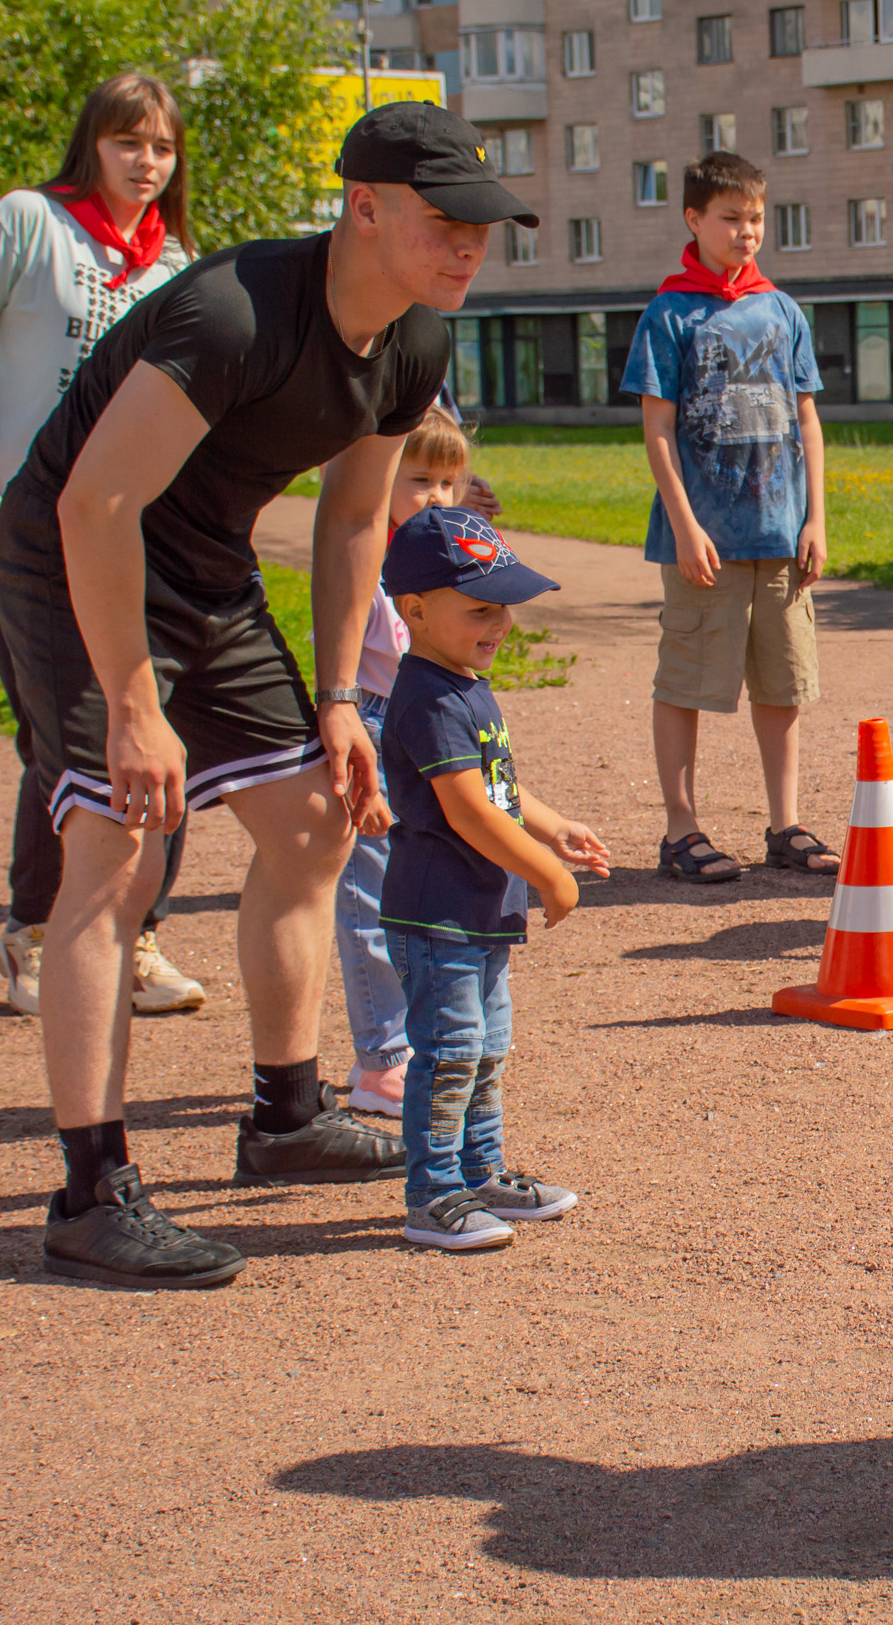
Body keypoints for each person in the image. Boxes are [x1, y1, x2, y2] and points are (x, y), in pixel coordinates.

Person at [0, 101, 540, 1289]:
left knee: (311, 819)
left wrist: (342, 696)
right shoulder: (234, 312)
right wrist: (133, 705)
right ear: (363, 208)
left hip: (204, 570)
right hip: (73, 554)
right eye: (447, 225)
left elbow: (351, 517)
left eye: (482, 231)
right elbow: (94, 506)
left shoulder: (414, 341)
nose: (469, 251)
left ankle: (285, 1118)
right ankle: (90, 1190)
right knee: (119, 850)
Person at [0, 71, 209, 1017]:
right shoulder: (24, 223)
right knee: (60, 735)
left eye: (162, 149)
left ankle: (141, 936)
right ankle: (33, 934)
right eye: (129, 143)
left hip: (134, 532)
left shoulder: (177, 266)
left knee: (159, 726)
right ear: (92, 143)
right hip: (25, 530)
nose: (147, 163)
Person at [376, 506, 609, 1250]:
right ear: (414, 610)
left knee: (483, 1051)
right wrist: (550, 875)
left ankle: (481, 1174)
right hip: (439, 915)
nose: (501, 624)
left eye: (504, 607)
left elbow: (499, 790)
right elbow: (469, 814)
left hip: (477, 913)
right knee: (449, 1054)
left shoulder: (463, 682)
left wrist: (552, 826)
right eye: (480, 609)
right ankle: (433, 1193)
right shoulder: (430, 697)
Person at [620, 152, 837, 886]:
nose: (747, 232)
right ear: (693, 220)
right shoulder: (670, 313)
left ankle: (785, 823)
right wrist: (684, 524)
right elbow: (656, 429)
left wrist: (816, 518)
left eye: (756, 218)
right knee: (686, 680)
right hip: (705, 539)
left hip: (781, 533)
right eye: (730, 218)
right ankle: (680, 830)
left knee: (784, 684)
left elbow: (807, 417)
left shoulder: (782, 310)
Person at [333, 409, 473, 1116]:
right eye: (420, 480)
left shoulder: (440, 556)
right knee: (368, 891)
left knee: (418, 884)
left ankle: (403, 1042)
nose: (439, 496)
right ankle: (382, 1059)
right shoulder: (367, 553)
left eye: (451, 481)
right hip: (368, 720)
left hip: (420, 720)